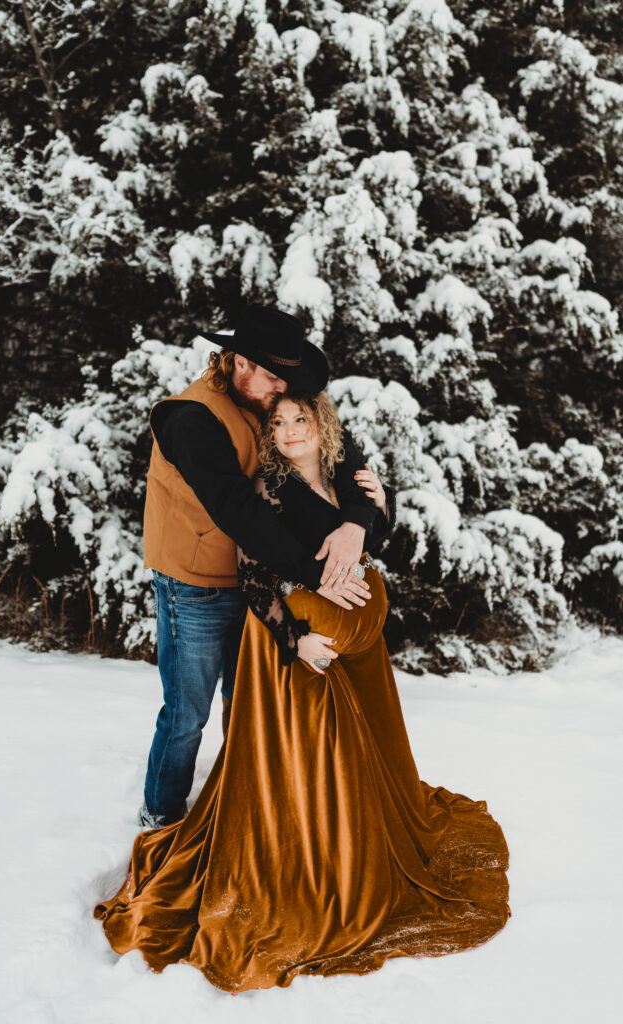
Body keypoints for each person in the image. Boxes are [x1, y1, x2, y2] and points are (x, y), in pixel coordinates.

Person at [95, 391, 511, 992]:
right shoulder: (272, 488)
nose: (290, 431)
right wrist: (296, 642)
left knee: (358, 764)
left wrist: (378, 507)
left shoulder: (349, 477)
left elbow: (378, 542)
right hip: (300, 654)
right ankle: (308, 863)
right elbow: (253, 574)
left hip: (355, 655)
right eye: (279, 422)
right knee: (313, 771)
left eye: (301, 420)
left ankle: (356, 847)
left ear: (323, 425)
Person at [138, 304, 381, 829]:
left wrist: (358, 520)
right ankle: (160, 815)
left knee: (248, 707)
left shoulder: (270, 400)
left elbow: (343, 453)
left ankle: (241, 810)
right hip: (196, 587)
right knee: (187, 714)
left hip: (262, 585)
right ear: (239, 363)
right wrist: (319, 575)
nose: (280, 390)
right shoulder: (190, 418)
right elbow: (238, 511)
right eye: (273, 376)